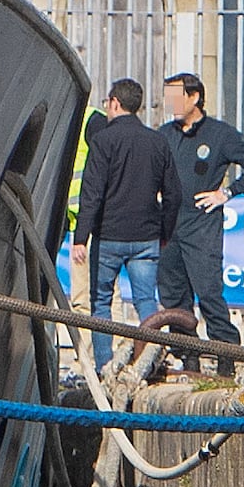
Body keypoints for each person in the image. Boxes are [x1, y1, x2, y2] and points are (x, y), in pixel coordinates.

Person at [155, 71, 244, 358]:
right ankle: (185, 358)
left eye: (176, 96)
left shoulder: (219, 134)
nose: (170, 103)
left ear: (194, 98)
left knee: (208, 293)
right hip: (169, 226)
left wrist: (226, 193)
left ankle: (228, 357)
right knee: (173, 297)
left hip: (202, 225)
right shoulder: (164, 134)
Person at [71, 78, 180, 345]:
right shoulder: (157, 141)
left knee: (100, 304)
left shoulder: (104, 140)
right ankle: (149, 359)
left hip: (108, 236)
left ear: (115, 103)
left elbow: (92, 193)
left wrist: (81, 237)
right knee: (146, 302)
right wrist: (164, 232)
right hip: (146, 237)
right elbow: (174, 194)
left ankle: (104, 367)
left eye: (108, 103)